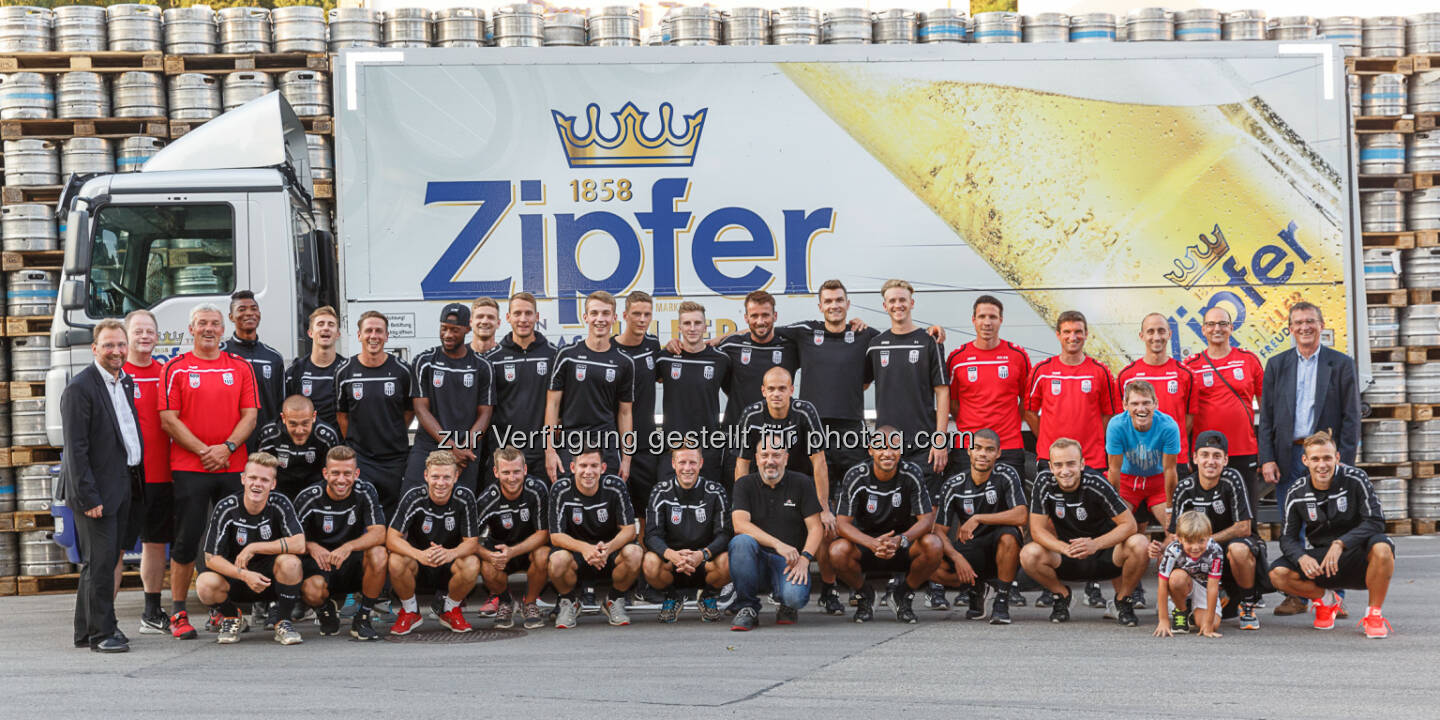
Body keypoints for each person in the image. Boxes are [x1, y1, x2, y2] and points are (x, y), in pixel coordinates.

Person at [160, 304, 259, 640]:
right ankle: (178, 612)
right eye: (202, 323)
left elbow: (250, 416)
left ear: (223, 329)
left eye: (214, 324)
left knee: (232, 539)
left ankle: (224, 608)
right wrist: (204, 451)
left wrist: (227, 448)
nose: (208, 329)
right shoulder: (175, 368)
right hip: (191, 467)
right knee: (188, 539)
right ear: (191, 329)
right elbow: (169, 419)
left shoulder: (241, 367)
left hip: (233, 466)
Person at [1257, 301, 1362, 617]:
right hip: (1288, 455)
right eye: (1298, 322)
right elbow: (1267, 416)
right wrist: (1267, 458)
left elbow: (1351, 417)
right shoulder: (1277, 365)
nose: (1304, 327)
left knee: (1331, 527)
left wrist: (1343, 462)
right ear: (1289, 328)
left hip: (1326, 459)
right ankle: (1299, 595)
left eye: (1310, 321)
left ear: (1321, 325)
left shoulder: (1340, 364)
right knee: (1294, 527)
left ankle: (1336, 595)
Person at [1024, 310, 1119, 610]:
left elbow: (1109, 415)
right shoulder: (1042, 370)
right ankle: (1052, 585)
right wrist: (1053, 449)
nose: (1072, 337)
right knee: (1049, 521)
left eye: (1078, 331)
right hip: (1050, 461)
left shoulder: (1100, 371)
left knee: (1092, 521)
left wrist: (1091, 447)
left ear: (1086, 334)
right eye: (1067, 332)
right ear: (1058, 335)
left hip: (1090, 459)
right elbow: (1029, 412)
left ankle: (1092, 582)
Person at [60, 318, 144, 653]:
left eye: (121, 344)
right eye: (108, 345)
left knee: (104, 560)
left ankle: (85, 631)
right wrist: (87, 496)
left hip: (124, 483)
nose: (116, 351)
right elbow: (75, 449)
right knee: (100, 563)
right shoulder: (80, 388)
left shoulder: (124, 383)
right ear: (94, 349)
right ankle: (102, 634)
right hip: (96, 491)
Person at [734, 366, 841, 614]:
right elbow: (742, 464)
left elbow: (819, 461)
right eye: (771, 389)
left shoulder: (805, 412)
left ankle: (828, 589)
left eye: (782, 388)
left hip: (800, 486)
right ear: (763, 391)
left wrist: (824, 506)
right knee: (741, 536)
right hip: (764, 485)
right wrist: (741, 502)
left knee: (824, 526)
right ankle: (745, 595)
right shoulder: (751, 415)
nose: (776, 394)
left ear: (792, 390)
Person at [1268, 432, 1395, 639]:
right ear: (1305, 460)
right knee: (1277, 574)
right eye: (1315, 459)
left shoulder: (1356, 478)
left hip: (1358, 555)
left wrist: (1341, 543)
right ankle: (1326, 601)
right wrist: (1302, 557)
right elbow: (1287, 538)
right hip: (1323, 563)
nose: (1322, 465)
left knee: (1383, 548)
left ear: (1337, 457)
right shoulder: (1297, 492)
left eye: (1327, 458)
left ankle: (1374, 615)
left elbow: (1376, 521)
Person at [1020, 438, 1150, 626]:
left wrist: (1095, 544)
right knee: (1028, 553)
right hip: (1068, 553)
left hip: (1106, 554)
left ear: (1082, 464)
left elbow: (1129, 525)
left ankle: (1122, 600)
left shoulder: (1096, 483)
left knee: (1140, 543)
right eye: (1058, 465)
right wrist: (1064, 548)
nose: (1065, 471)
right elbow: (1037, 530)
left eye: (1071, 464)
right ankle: (1062, 595)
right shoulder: (1044, 481)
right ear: (1050, 466)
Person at [830, 427, 943, 624]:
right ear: (870, 450)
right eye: (880, 447)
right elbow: (842, 524)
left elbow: (926, 519)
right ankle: (865, 594)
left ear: (901, 450)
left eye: (894, 447)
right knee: (837, 551)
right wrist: (872, 543)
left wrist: (902, 539)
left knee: (934, 545)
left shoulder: (912, 473)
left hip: (901, 544)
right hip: (866, 545)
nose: (887, 453)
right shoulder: (856, 475)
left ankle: (902, 595)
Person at [194, 453, 306, 646]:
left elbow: (299, 544)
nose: (257, 484)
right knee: (204, 583)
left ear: (273, 484)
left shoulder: (280, 503)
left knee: (291, 562)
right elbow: (211, 558)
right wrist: (245, 575)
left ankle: (282, 620)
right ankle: (232, 618)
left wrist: (254, 547)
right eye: (253, 478)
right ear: (243, 479)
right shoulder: (227, 508)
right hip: (237, 578)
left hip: (271, 581)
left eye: (264, 480)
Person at [1165, 431, 1265, 630]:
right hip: (1199, 554)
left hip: (1229, 549)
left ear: (1226, 460)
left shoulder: (1232, 479)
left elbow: (1243, 528)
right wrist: (1162, 548)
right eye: (1205, 455)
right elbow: (1174, 533)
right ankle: (1180, 607)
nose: (1211, 461)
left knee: (1239, 549)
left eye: (1217, 456)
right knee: (1167, 555)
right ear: (1195, 458)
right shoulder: (1185, 487)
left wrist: (1205, 541)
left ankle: (1247, 604)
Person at [729, 435, 824, 631]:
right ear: (756, 459)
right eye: (764, 455)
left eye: (776, 455)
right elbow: (740, 524)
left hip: (789, 562)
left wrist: (805, 559)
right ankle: (747, 607)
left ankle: (786, 605)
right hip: (755, 560)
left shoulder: (802, 483)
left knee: (795, 597)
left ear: (786, 458)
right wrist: (777, 544)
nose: (770, 461)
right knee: (741, 542)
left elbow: (816, 527)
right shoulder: (744, 484)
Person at [932, 429, 1027, 624]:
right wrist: (957, 557)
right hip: (972, 549)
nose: (983, 454)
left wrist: (978, 518)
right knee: (930, 565)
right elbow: (939, 531)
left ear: (998, 453)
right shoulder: (953, 484)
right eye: (978, 448)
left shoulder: (1006, 474)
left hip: (1001, 549)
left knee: (1009, 536)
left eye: (990, 449)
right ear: (969, 450)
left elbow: (1021, 515)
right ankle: (977, 590)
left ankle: (1001, 601)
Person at [295, 446, 388, 641]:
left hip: (351, 560)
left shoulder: (365, 490)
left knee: (379, 554)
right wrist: (311, 546)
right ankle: (324, 609)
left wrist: (348, 547)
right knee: (312, 590)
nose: (341, 479)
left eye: (347, 473)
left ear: (356, 474)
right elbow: (290, 539)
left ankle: (363, 617)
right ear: (325, 473)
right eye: (335, 473)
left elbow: (379, 533)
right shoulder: (308, 497)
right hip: (320, 563)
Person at [864, 279, 948, 491]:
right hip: (887, 446)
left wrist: (939, 440)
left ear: (912, 303)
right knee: (892, 508)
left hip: (923, 444)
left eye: (902, 300)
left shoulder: (930, 341)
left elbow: (943, 392)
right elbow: (862, 386)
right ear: (885, 306)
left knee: (926, 512)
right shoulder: (874, 345)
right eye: (892, 300)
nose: (897, 305)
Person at [1183, 306, 1264, 523]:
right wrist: (1187, 452)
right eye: (1211, 324)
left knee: (1247, 515)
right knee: (1207, 516)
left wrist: (1265, 452)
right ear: (1203, 330)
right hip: (1206, 454)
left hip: (1243, 450)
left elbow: (1266, 409)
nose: (1216, 328)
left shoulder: (1249, 360)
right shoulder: (1191, 366)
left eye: (1222, 324)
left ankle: (1251, 554)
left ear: (1231, 327)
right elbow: (1184, 415)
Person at [544, 291, 635, 483]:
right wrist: (550, 451)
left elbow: (625, 413)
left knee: (608, 503)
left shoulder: (624, 362)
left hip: (607, 443)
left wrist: (626, 458)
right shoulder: (567, 355)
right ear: (585, 317)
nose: (599, 319)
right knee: (569, 504)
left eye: (605, 313)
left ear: (614, 318)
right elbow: (552, 404)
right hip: (571, 441)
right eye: (594, 313)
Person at [387, 451, 482, 635]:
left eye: (446, 477)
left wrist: (450, 554)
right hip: (420, 563)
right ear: (426, 476)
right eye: (435, 476)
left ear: (456, 477)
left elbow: (472, 542)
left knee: (472, 563)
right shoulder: (414, 496)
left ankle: (450, 609)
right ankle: (410, 611)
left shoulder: (465, 497)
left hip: (449, 562)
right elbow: (391, 538)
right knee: (396, 560)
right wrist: (419, 555)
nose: (440, 483)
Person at [547, 447, 642, 629]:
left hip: (609, 552)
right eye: (583, 466)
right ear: (573, 467)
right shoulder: (560, 489)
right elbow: (556, 536)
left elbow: (629, 530)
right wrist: (585, 549)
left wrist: (607, 549)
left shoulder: (615, 486)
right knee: (557, 560)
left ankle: (613, 599)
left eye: (594, 466)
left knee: (635, 553)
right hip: (576, 553)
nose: (588, 472)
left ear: (603, 468)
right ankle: (569, 602)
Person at [121, 309, 173, 636]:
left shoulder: (166, 373)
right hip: (126, 479)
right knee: (115, 549)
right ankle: (101, 620)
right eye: (138, 331)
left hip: (163, 476)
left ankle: (152, 612)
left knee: (155, 545)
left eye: (149, 331)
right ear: (126, 336)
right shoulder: (116, 374)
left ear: (157, 336)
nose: (144, 336)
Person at [406, 302, 494, 494]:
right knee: (411, 500)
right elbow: (421, 409)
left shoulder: (482, 366)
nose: (447, 335)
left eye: (454, 330)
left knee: (462, 507)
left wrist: (461, 450)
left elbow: (485, 413)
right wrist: (450, 447)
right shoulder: (425, 361)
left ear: (467, 329)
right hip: (429, 444)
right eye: (444, 328)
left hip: (467, 448)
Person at [715, 290, 799, 482]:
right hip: (737, 438)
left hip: (778, 443)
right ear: (746, 318)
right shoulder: (731, 346)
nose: (760, 321)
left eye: (765, 315)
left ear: (775, 316)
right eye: (754, 315)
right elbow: (702, 354)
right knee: (738, 500)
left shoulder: (790, 348)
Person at [336, 310, 413, 515]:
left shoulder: (402, 370)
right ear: (359, 335)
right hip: (361, 457)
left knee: (393, 513)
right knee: (364, 512)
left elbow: (409, 410)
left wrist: (392, 431)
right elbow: (342, 415)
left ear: (387, 336)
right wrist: (356, 442)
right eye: (368, 330)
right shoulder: (345, 371)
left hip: (394, 458)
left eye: (379, 331)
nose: (374, 336)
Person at [643, 447, 732, 623]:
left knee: (729, 561)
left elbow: (725, 534)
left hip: (705, 560)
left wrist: (703, 554)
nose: (687, 468)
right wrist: (671, 555)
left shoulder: (715, 491)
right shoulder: (660, 491)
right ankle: (672, 596)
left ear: (701, 463)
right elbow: (651, 535)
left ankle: (707, 596)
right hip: (673, 562)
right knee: (650, 562)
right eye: (682, 462)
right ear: (673, 464)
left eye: (692, 462)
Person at [655, 301, 731, 486]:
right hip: (672, 448)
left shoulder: (721, 360)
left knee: (709, 506)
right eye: (687, 323)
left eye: (697, 323)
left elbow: (735, 394)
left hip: (708, 448)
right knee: (669, 505)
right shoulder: (664, 358)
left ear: (705, 327)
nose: (692, 328)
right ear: (679, 327)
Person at [474, 447, 551, 630]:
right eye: (506, 472)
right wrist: (491, 555)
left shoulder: (537, 489)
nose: (512, 478)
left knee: (544, 555)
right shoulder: (486, 499)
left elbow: (544, 534)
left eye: (516, 472)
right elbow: (469, 540)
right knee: (485, 564)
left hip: (529, 548)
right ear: (496, 472)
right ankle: (506, 602)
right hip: (500, 552)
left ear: (525, 470)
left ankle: (530, 603)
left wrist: (513, 551)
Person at [485, 292, 559, 479]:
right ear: (508, 317)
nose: (523, 319)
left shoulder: (554, 355)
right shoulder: (493, 359)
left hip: (541, 453)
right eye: (517, 314)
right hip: (504, 454)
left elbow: (561, 404)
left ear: (537, 317)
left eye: (528, 313)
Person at [1116, 314, 1197, 475]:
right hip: (1138, 459)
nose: (1156, 337)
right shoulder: (1127, 376)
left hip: (1174, 459)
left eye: (1161, 331)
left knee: (1172, 501)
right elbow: (1122, 420)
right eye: (1150, 332)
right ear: (1142, 336)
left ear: (1169, 334)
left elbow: (1188, 420)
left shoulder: (1185, 374)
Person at [1104, 380, 1180, 535]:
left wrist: (1171, 508)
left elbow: (1170, 470)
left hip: (1158, 482)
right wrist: (1116, 506)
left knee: (1175, 530)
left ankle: (1165, 556)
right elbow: (1114, 469)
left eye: (1146, 403)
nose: (1141, 409)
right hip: (1127, 481)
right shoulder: (1116, 425)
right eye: (1135, 403)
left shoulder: (1168, 426)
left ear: (1155, 404)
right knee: (1115, 527)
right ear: (1125, 405)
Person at [614, 291, 663, 512]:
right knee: (616, 510)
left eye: (647, 314)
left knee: (645, 510)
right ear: (624, 315)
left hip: (646, 442)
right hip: (615, 444)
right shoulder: (610, 348)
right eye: (636, 314)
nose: (642, 319)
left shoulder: (653, 344)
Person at [220, 290, 286, 451]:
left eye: (253, 308)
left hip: (266, 442)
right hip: (230, 441)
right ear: (231, 317)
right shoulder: (221, 353)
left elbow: (281, 405)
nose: (249, 313)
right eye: (242, 309)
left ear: (259, 314)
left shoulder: (273, 357)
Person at [1153, 511, 1225, 639]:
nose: (1195, 547)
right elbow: (1162, 584)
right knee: (1176, 579)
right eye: (1190, 542)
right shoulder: (1173, 550)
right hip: (1182, 582)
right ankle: (1181, 609)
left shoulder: (1215, 550)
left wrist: (1208, 624)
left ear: (1209, 536)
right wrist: (1163, 620)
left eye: (1201, 541)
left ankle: (1193, 613)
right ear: (1180, 539)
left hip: (1204, 585)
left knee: (1212, 625)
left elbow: (1213, 587)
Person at [257, 395, 341, 499]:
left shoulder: (326, 436)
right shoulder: (270, 435)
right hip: (280, 491)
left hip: (316, 494)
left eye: (305, 423)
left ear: (314, 416)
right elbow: (262, 472)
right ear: (283, 418)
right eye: (293, 424)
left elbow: (331, 475)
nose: (299, 431)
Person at [283, 305, 342, 426]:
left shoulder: (346, 369)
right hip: (305, 441)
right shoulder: (295, 371)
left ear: (338, 334)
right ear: (310, 333)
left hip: (338, 443)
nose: (326, 328)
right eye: (320, 324)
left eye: (331, 324)